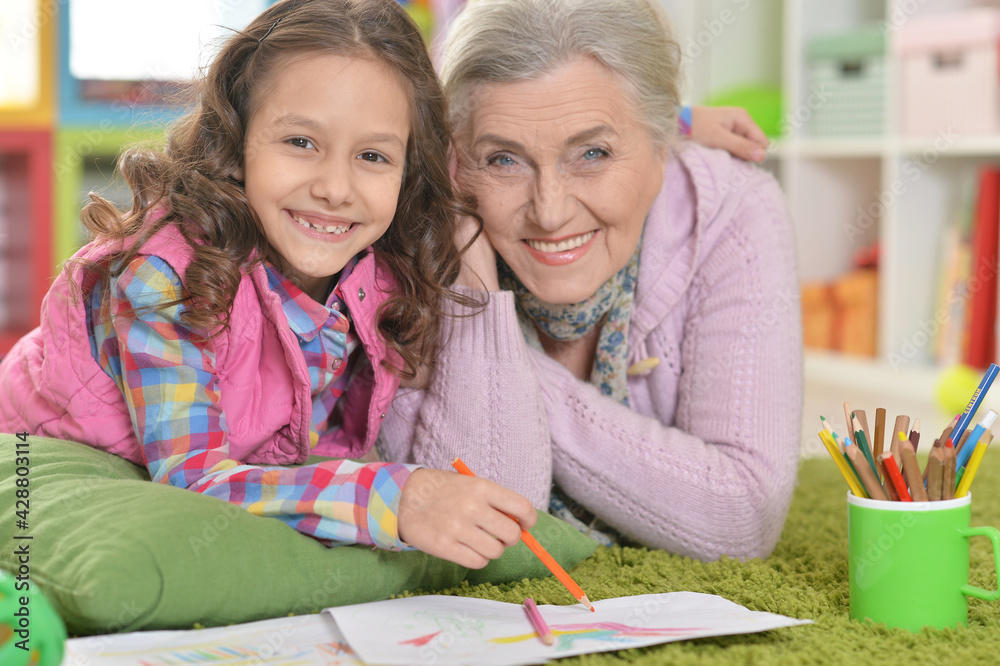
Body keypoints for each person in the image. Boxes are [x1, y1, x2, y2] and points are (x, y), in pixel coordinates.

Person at [0, 0, 537, 570]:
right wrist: (397, 498)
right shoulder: (163, 276)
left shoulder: (372, 278)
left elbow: (316, 448)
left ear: (408, 176)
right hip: (44, 461)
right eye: (300, 142)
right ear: (236, 144)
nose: (335, 187)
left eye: (373, 156)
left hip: (199, 473)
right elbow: (196, 481)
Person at [379, 0, 802, 560]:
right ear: (455, 164)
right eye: (504, 159)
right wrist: (470, 281)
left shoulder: (733, 214)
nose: (550, 213)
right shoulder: (414, 233)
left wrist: (525, 384)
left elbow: (741, 517)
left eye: (593, 153)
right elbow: (484, 523)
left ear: (661, 145)